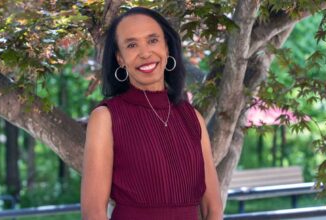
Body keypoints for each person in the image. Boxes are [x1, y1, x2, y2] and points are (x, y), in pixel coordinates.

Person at [81, 7, 223, 220]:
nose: (145, 53)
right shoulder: (106, 118)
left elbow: (213, 208)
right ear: (120, 58)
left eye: (153, 40)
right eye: (131, 45)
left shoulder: (192, 118)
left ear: (167, 47)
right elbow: (94, 213)